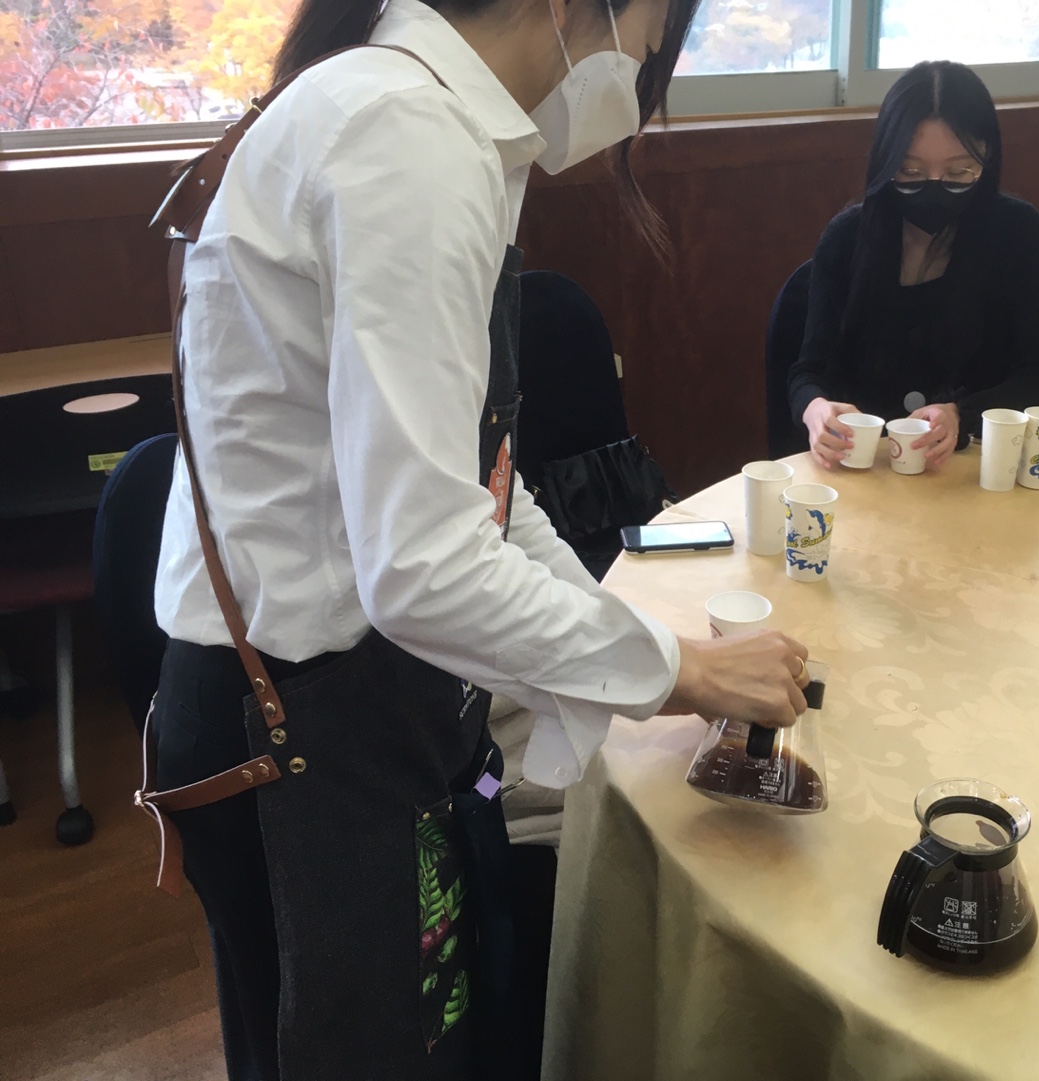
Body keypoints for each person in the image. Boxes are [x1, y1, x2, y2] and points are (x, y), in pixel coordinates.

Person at [142, 0, 811, 1078]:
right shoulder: (407, 137)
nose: (640, 69)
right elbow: (423, 568)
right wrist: (678, 672)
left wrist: (638, 645)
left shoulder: (444, 129)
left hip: (347, 697)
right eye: (650, 38)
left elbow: (486, 489)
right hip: (298, 725)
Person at [788, 60, 1039, 470]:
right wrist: (814, 408)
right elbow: (807, 373)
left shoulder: (1016, 231)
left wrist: (961, 414)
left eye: (959, 171)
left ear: (988, 159)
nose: (934, 188)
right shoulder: (847, 238)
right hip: (866, 467)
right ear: (886, 163)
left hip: (975, 467)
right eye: (910, 171)